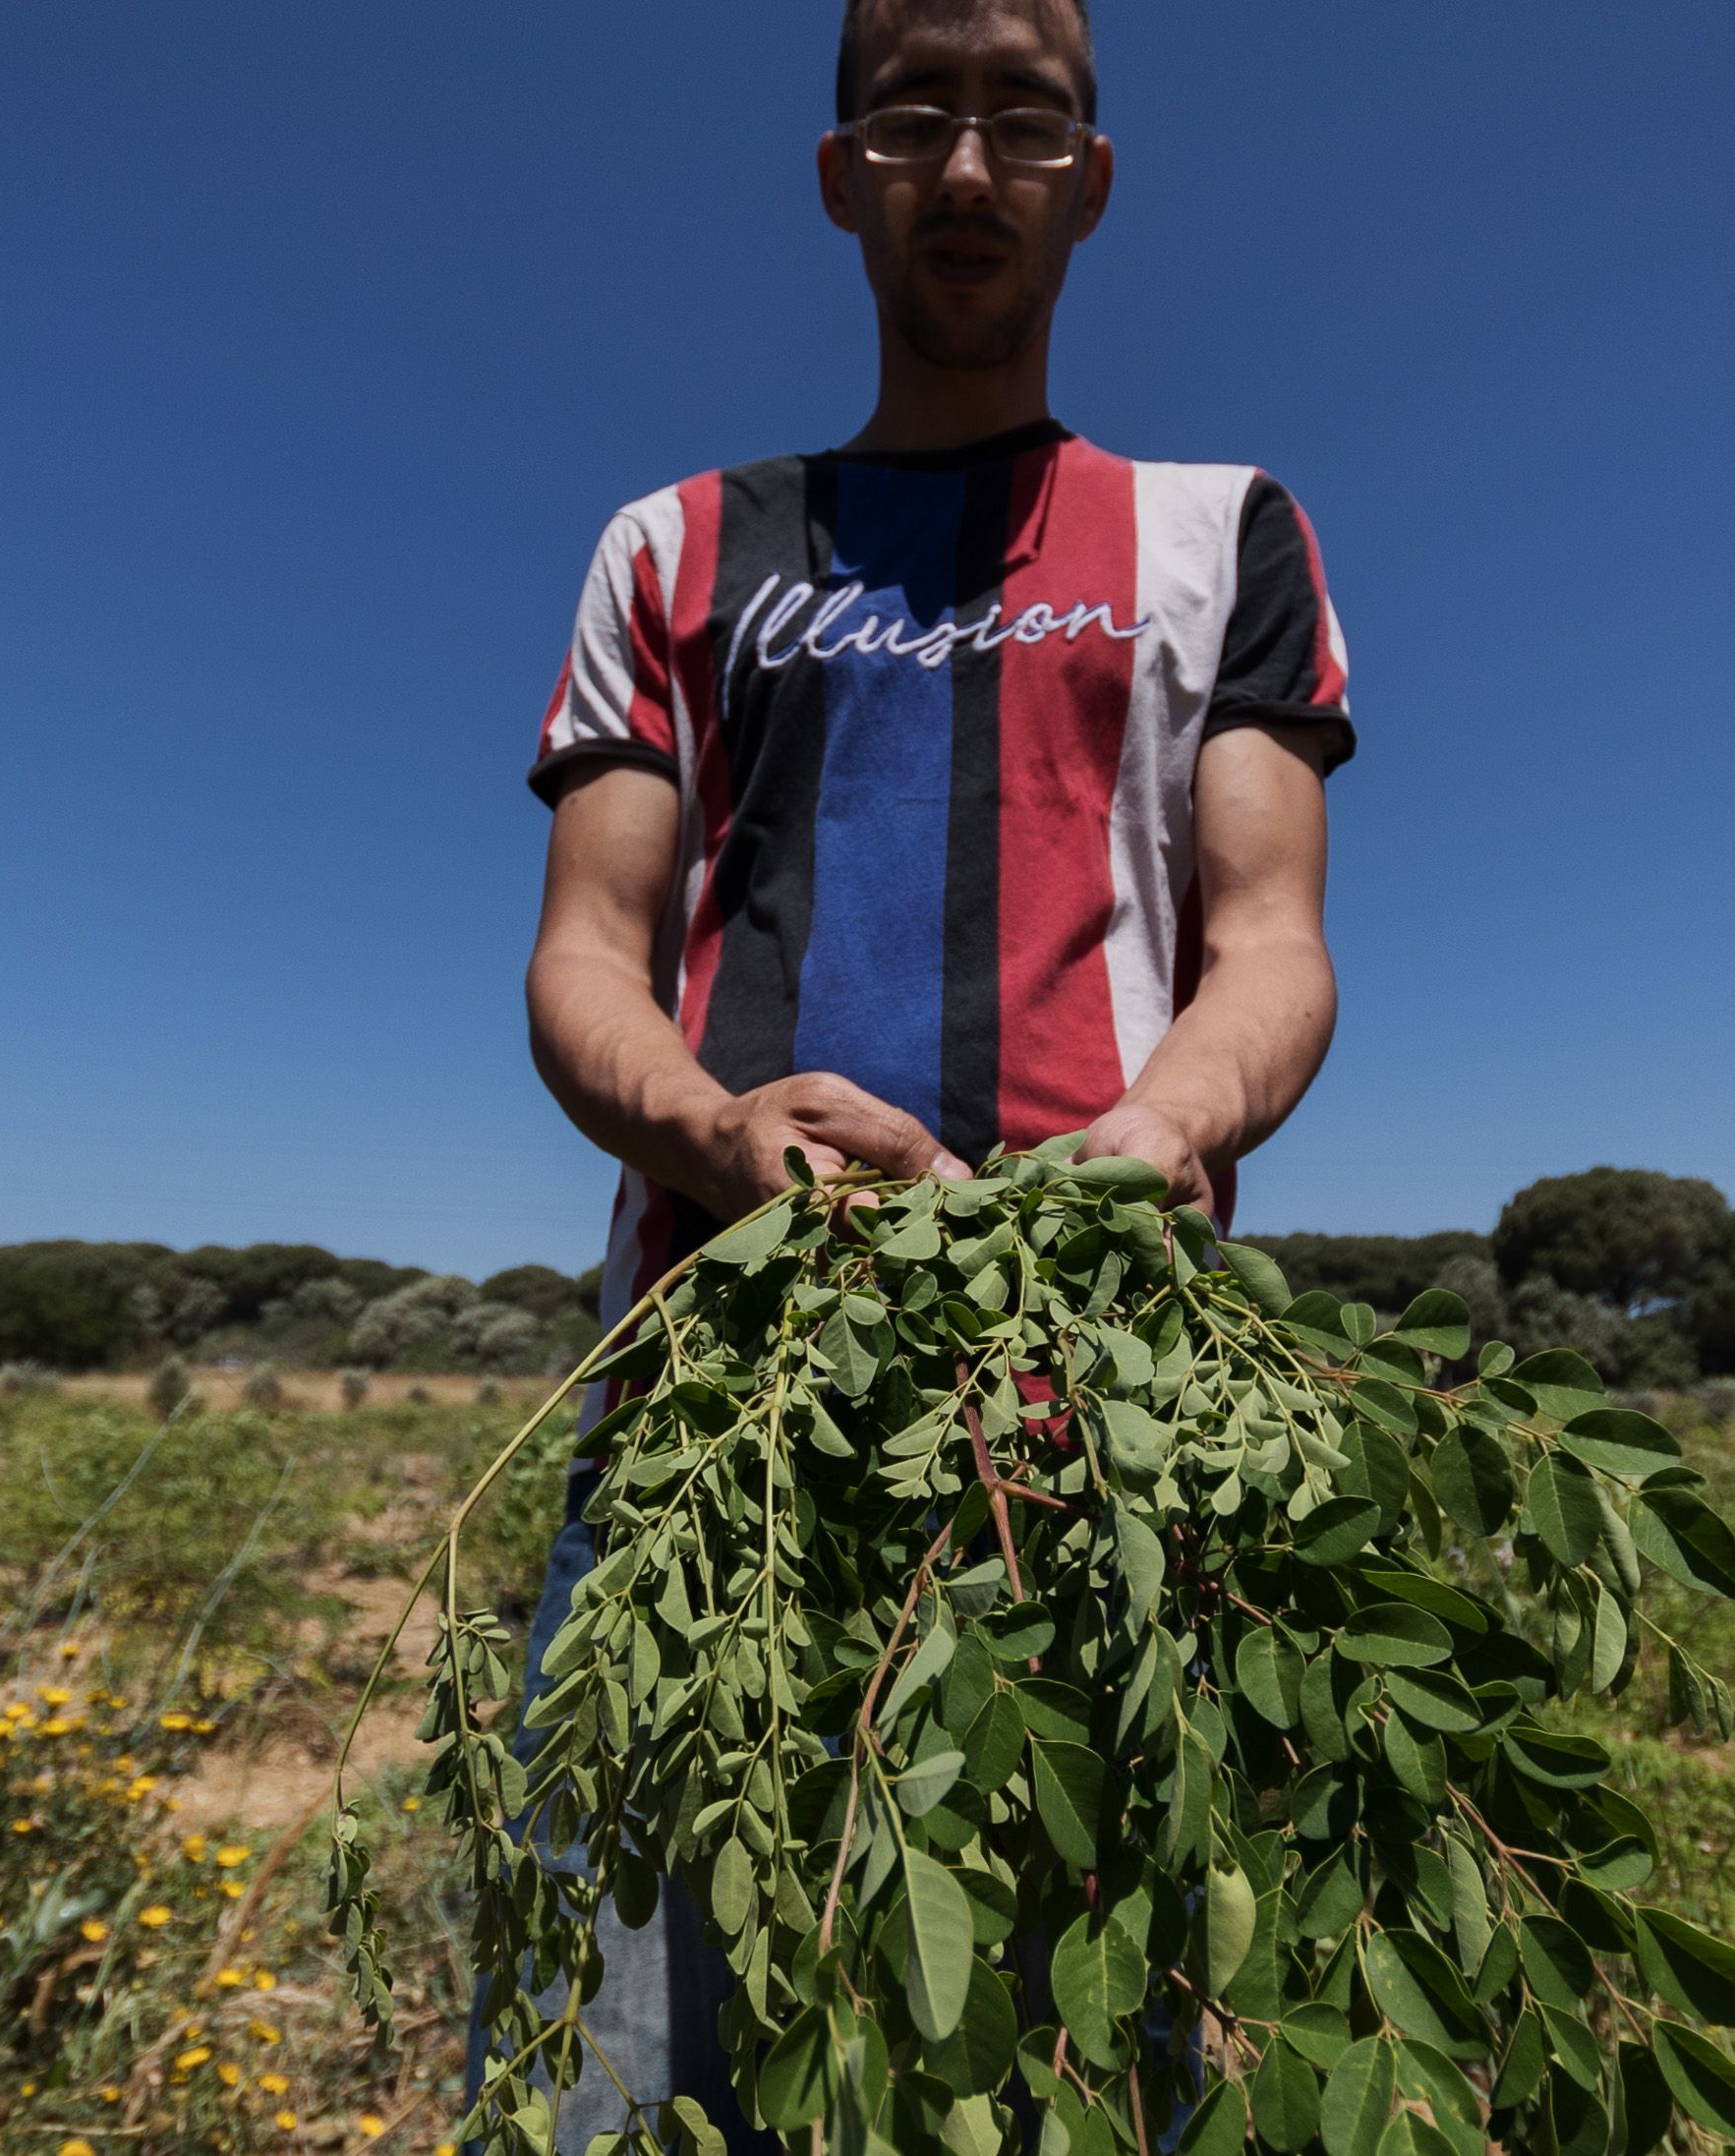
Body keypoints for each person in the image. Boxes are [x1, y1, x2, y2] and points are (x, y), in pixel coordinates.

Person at [489, 0, 1352, 2140]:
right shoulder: (671, 547)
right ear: (838, 169)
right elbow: (585, 953)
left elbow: (1271, 944)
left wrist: (1154, 1134)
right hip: (702, 1440)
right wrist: (708, 1122)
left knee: (1062, 2068)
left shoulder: (1221, 531)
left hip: (1086, 1441)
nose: (967, 167)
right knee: (633, 2077)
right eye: (914, 115)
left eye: (1023, 119)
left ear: (1093, 177)